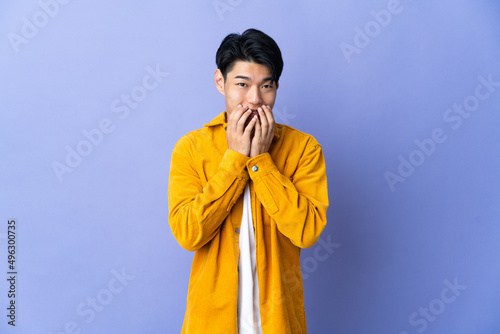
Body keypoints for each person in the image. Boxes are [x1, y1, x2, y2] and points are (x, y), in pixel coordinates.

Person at [168, 28, 329, 334]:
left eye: (266, 86)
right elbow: (188, 234)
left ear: (276, 86)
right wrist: (235, 160)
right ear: (220, 82)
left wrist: (260, 162)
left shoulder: (304, 149)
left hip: (279, 322)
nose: (255, 99)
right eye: (242, 84)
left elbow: (307, 232)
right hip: (210, 323)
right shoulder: (191, 148)